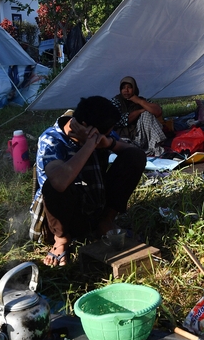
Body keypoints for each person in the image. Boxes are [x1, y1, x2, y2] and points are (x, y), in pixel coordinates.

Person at [34, 96, 146, 267]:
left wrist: (108, 142)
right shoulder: (52, 140)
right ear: (87, 126)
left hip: (95, 202)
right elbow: (58, 183)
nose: (107, 135)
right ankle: (61, 239)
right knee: (54, 183)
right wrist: (90, 145)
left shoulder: (100, 131)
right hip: (65, 215)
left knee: (134, 156)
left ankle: (105, 222)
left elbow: (134, 153)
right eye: (106, 133)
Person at [111, 76, 166, 156]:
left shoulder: (140, 100)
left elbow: (158, 111)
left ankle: (155, 147)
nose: (126, 90)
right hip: (124, 138)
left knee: (147, 114)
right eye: (123, 88)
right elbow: (120, 120)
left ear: (134, 88)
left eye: (129, 87)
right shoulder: (116, 101)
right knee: (129, 150)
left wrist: (140, 101)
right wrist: (140, 111)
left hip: (140, 137)